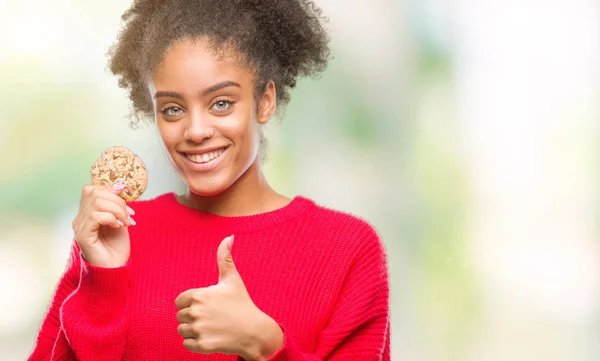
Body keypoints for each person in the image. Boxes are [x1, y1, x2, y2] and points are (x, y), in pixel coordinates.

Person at [28, 0, 391, 360]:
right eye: (173, 109)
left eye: (221, 103)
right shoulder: (114, 234)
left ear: (264, 101)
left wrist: (265, 346)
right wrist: (102, 283)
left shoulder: (347, 249)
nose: (196, 131)